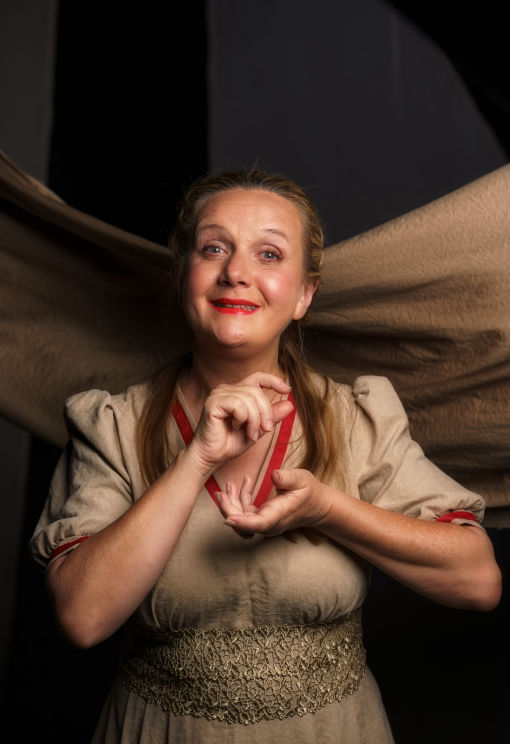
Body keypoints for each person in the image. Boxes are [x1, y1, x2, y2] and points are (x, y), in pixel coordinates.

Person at [30, 169, 501, 743]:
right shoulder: (111, 426)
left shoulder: (358, 418)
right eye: (214, 248)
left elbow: (478, 582)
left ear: (304, 295)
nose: (236, 272)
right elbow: (81, 619)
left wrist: (327, 509)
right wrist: (195, 460)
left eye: (269, 254)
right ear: (182, 275)